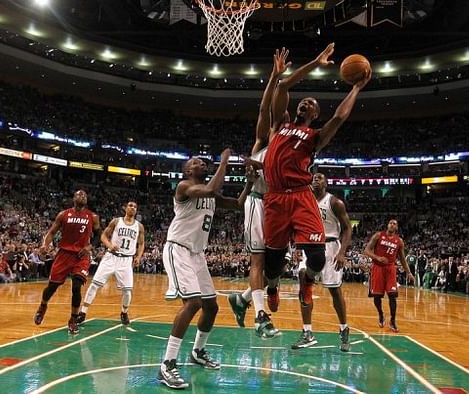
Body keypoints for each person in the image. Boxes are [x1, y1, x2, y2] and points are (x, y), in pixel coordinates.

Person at [260, 42, 370, 349]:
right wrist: (315, 61)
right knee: (272, 264)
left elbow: (339, 118)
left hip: (300, 196)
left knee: (318, 258)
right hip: (275, 198)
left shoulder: (314, 137)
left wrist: (356, 89)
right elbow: (282, 86)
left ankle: (307, 282)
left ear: (315, 113)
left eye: (311, 103)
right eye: (303, 101)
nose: (305, 104)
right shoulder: (280, 124)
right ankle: (272, 288)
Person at [159, 149, 255, 390]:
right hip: (178, 249)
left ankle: (197, 352)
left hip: (197, 254)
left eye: (204, 161)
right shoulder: (184, 187)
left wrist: (249, 184)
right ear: (188, 170)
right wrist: (224, 161)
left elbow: (238, 204)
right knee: (192, 303)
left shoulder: (210, 192)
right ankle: (167, 364)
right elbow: (211, 190)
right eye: (196, 162)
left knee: (211, 306)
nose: (202, 163)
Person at [228, 47, 291, 338]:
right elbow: (264, 109)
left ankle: (241, 299)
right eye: (284, 119)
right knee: (258, 261)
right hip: (257, 202)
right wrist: (275, 77)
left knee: (278, 266)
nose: (285, 122)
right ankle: (260, 317)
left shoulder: (292, 151)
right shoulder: (262, 142)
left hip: (279, 207)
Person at [294, 173, 352, 350]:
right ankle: (307, 332)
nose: (315, 180)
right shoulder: (306, 200)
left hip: (331, 247)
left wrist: (342, 253)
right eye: (313, 178)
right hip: (310, 245)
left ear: (326, 183)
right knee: (304, 282)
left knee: (335, 291)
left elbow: (348, 228)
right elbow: (299, 224)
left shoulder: (335, 202)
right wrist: (297, 247)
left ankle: (344, 329)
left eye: (319, 178)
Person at [34, 190, 101, 334]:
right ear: (73, 198)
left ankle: (72, 320)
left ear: (87, 200)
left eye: (84, 195)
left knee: (76, 286)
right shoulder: (63, 214)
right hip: (64, 253)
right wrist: (46, 245)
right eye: (79, 194)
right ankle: (43, 306)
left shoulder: (93, 216)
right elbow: (52, 232)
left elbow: (98, 236)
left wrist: (89, 246)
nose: (82, 196)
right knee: (52, 287)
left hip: (81, 256)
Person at [77, 201, 145, 325]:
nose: (133, 208)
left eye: (135, 206)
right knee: (94, 285)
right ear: (125, 208)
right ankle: (82, 312)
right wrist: (109, 245)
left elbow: (141, 244)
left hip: (126, 260)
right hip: (111, 257)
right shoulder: (116, 221)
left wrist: (138, 257)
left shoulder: (139, 226)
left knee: (127, 291)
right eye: (130, 205)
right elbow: (103, 236)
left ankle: (124, 312)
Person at [363, 219, 415, 333]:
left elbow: (402, 259)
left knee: (392, 295)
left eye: (395, 224)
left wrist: (409, 273)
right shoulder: (378, 235)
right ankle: (381, 314)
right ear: (387, 225)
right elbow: (366, 250)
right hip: (377, 268)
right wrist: (377, 258)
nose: (392, 225)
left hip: (390, 269)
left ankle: (393, 321)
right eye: (391, 223)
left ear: (396, 228)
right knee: (377, 296)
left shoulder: (399, 241)